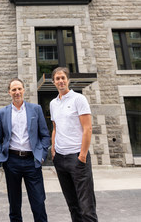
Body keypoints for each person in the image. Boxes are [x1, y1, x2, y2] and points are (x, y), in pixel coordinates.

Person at [0, 78, 50, 222]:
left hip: (32, 161)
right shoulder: (3, 113)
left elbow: (45, 135)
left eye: (19, 89)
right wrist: (1, 155)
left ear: (24, 90)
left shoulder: (35, 109)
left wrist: (42, 155)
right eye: (14, 90)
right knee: (14, 204)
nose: (17, 92)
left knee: (38, 202)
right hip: (12, 161)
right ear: (9, 92)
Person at [50, 67, 98, 222]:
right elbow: (55, 128)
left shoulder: (79, 99)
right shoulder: (53, 103)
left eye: (63, 77)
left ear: (68, 80)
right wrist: (53, 150)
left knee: (86, 207)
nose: (60, 81)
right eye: (57, 78)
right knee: (72, 205)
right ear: (54, 82)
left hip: (77, 157)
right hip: (60, 159)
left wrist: (82, 155)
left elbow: (87, 128)